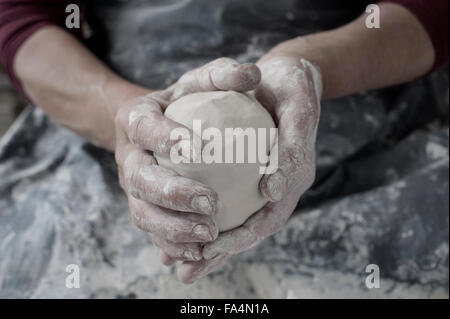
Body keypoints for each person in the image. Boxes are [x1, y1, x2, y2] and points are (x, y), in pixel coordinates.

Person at [0, 0, 448, 288]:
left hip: (366, 101)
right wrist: (125, 115)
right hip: (105, 107)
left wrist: (308, 64)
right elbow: (15, 14)